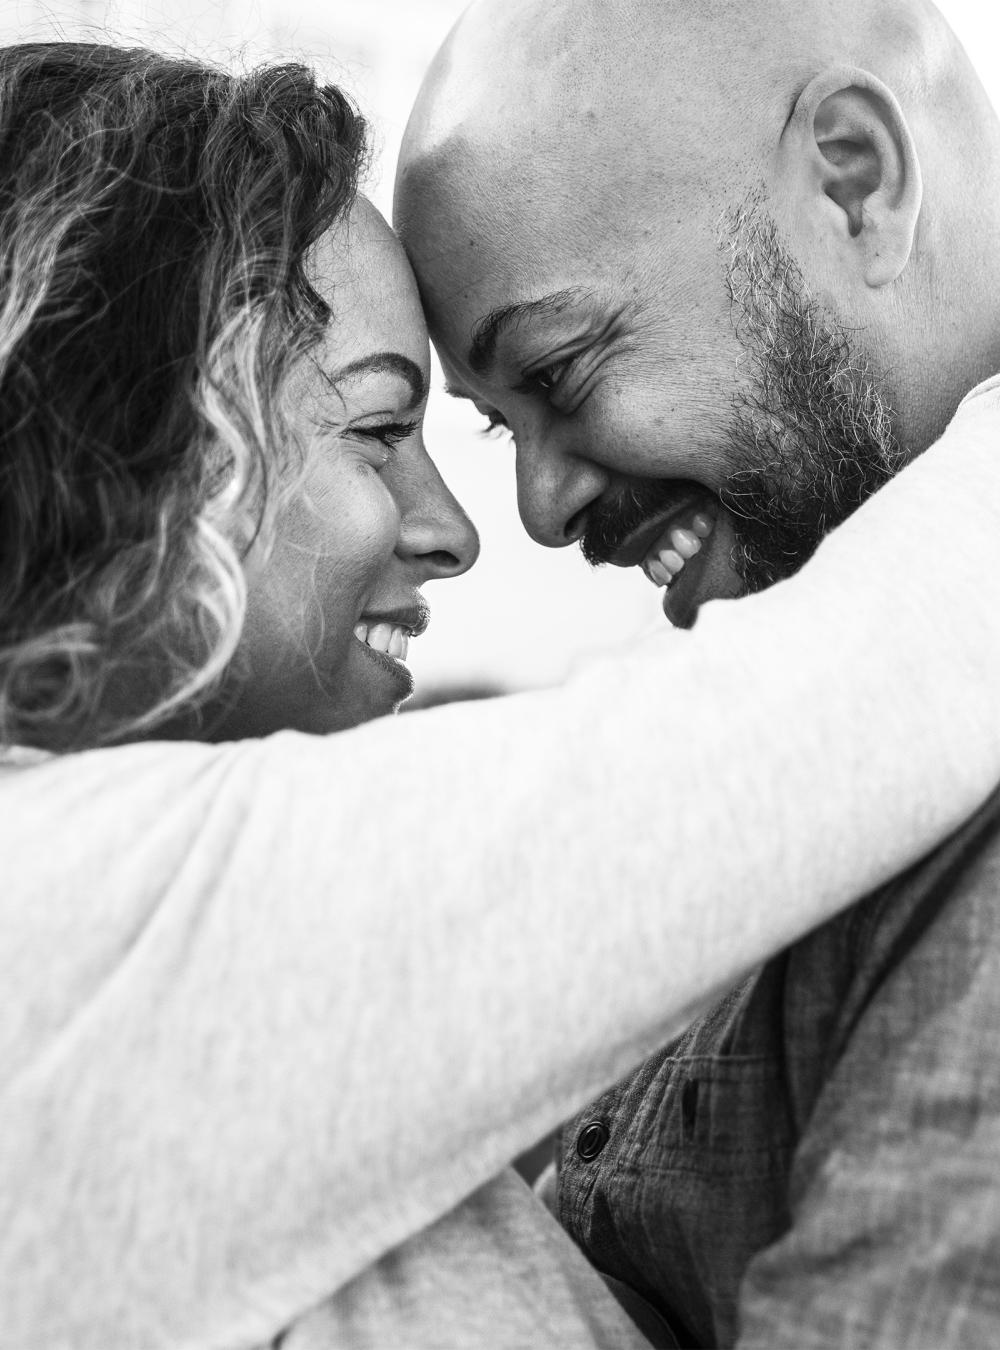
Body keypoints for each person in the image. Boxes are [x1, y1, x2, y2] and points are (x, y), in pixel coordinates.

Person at [2, 37, 999, 1350]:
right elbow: (861, 678)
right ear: (123, 465)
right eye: (373, 425)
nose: (488, 527)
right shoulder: (70, 935)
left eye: (564, 367)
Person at [394, 0, 1000, 1344]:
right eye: (500, 428)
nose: (539, 510)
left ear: (855, 183)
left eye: (560, 366)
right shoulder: (834, 707)